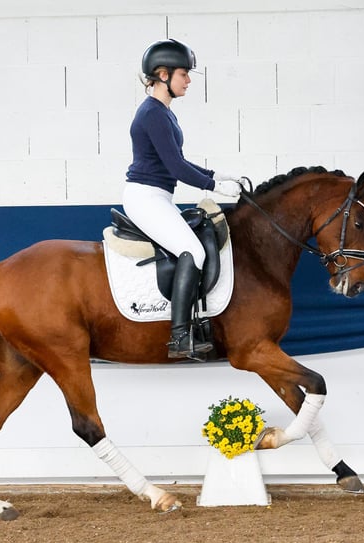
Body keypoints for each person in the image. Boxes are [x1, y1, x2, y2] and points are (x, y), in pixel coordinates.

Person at [123, 38, 243, 361]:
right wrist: (213, 185)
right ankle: (179, 336)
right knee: (192, 250)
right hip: (145, 197)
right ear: (163, 75)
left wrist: (218, 175)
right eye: (184, 74)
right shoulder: (153, 113)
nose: (188, 80)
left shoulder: (163, 112)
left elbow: (178, 160)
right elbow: (176, 166)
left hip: (159, 196)